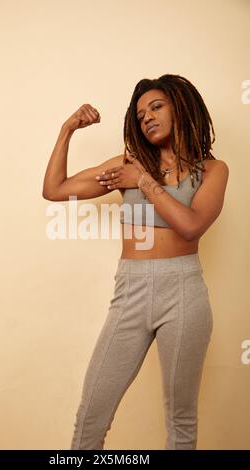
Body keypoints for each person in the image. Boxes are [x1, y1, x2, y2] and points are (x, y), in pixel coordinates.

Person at [42, 74, 229, 450]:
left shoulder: (212, 170)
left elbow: (191, 227)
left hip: (185, 291)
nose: (147, 118)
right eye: (141, 114)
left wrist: (142, 182)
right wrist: (67, 130)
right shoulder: (128, 164)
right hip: (131, 290)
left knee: (181, 419)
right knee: (92, 411)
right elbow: (55, 190)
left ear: (181, 107)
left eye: (156, 107)